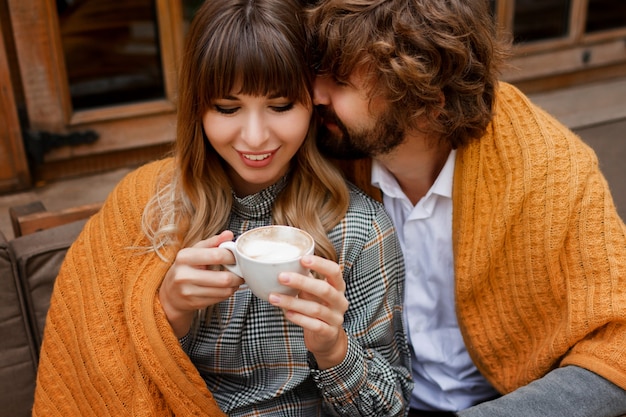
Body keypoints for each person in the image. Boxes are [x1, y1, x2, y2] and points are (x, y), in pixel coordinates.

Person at [32, 0, 413, 416]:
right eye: (228, 109)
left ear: (313, 103)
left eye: (281, 106)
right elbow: (103, 377)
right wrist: (168, 315)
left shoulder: (357, 228)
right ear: (198, 108)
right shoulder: (149, 210)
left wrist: (334, 349)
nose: (254, 137)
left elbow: (390, 407)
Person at [306, 0, 626, 416]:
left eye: (342, 81)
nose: (315, 94)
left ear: (427, 102)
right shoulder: (324, 151)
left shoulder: (550, 169)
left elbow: (618, 345)